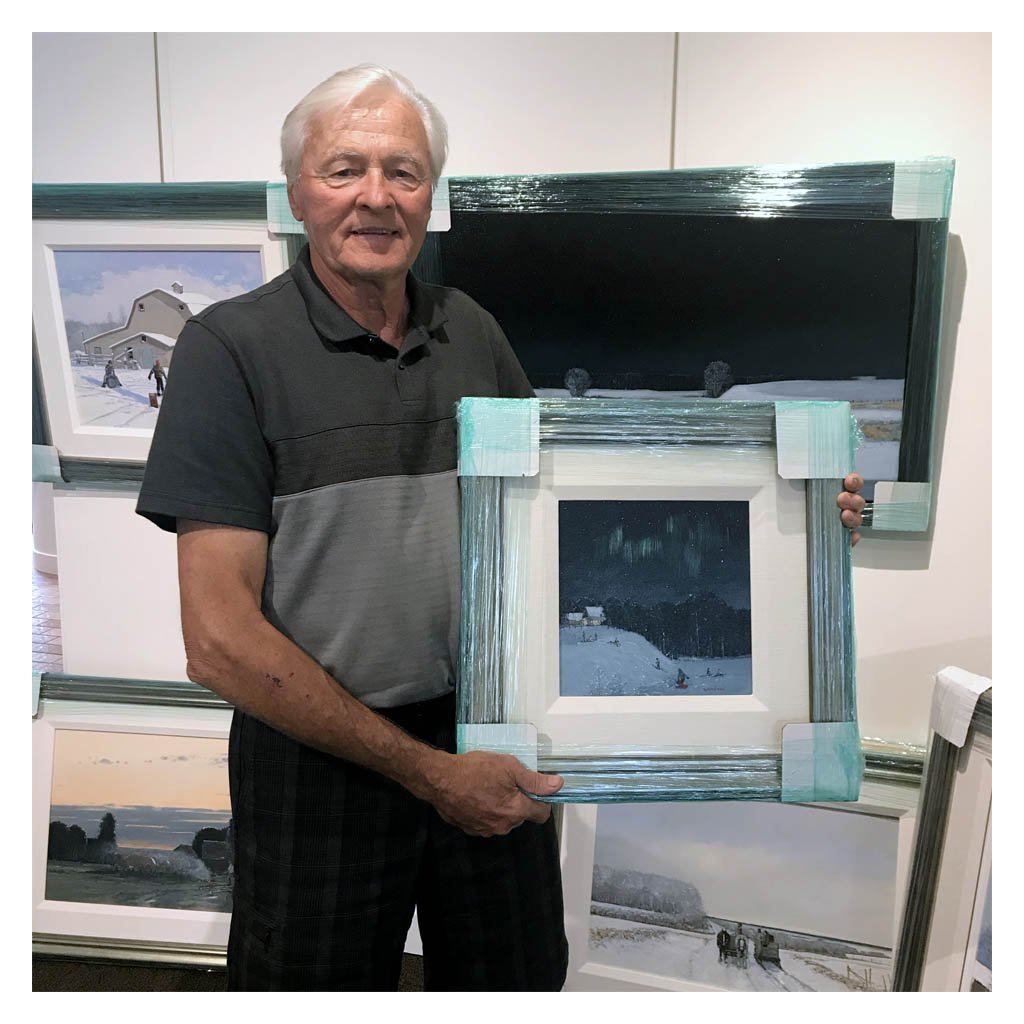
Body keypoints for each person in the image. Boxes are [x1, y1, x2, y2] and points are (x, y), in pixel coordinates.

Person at [135, 65, 867, 993]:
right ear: (295, 192)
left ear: (430, 195)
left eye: (402, 171)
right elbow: (219, 642)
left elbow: (579, 506)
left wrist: (799, 514)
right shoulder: (230, 350)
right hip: (321, 757)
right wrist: (428, 774)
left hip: (489, 732)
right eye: (343, 168)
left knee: (513, 981)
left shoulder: (470, 330)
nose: (375, 196)